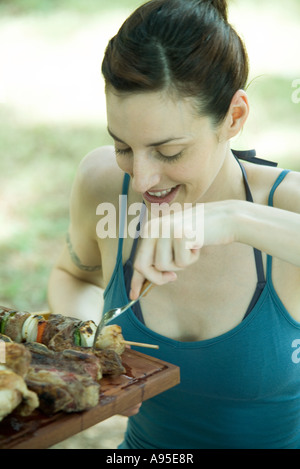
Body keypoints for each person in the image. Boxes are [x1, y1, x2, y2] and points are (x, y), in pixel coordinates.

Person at [48, 0, 300, 449]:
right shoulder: (104, 183)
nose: (143, 179)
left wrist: (234, 218)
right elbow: (74, 276)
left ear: (234, 117)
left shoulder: (285, 204)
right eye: (123, 146)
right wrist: (100, 351)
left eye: (169, 152)